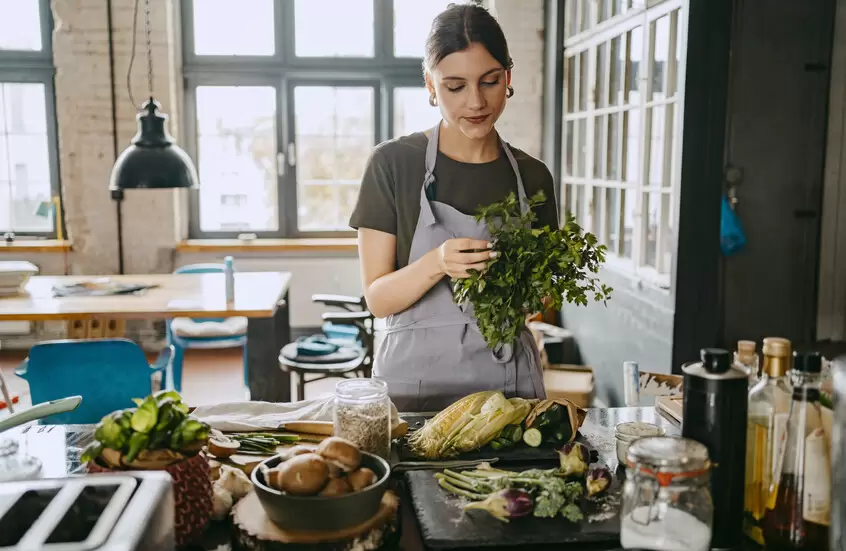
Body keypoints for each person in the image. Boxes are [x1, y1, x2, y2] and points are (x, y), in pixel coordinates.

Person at [348, 3, 558, 412]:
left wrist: (526, 290)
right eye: (455, 86)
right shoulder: (393, 164)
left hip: (508, 390)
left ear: (508, 77)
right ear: (430, 85)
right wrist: (438, 263)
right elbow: (377, 298)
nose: (476, 102)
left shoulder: (533, 178)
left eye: (490, 81)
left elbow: (540, 301)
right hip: (414, 391)